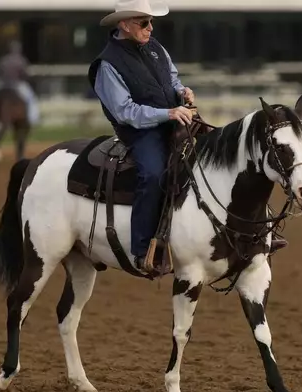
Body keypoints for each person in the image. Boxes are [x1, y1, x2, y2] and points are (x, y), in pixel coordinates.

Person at [87, 0, 196, 272]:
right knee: (152, 174)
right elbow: (126, 112)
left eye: (151, 22)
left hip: (175, 117)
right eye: (144, 22)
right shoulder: (107, 64)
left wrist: (183, 91)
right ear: (124, 24)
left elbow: (172, 79)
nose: (150, 28)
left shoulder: (155, 47)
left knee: (214, 154)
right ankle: (141, 250)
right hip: (140, 133)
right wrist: (168, 113)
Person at [0, 40, 40, 125]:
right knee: (30, 98)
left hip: (5, 85)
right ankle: (33, 118)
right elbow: (24, 74)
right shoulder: (20, 60)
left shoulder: (3, 60)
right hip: (17, 85)